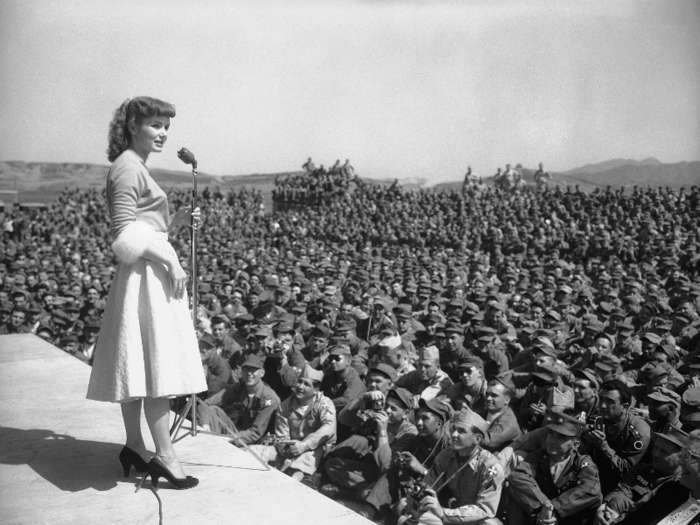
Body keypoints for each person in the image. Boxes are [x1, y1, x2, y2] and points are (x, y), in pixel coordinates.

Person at [86, 97, 206, 490]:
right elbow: (124, 235)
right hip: (146, 274)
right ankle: (166, 456)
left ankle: (136, 447)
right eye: (155, 124)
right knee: (156, 368)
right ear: (133, 125)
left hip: (145, 271)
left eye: (166, 126)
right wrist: (170, 261)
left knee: (140, 361)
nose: (163, 133)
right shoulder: (126, 167)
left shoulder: (134, 166)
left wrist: (177, 222)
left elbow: (143, 224)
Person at [398, 406, 505, 525]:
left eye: (461, 431)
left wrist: (444, 513)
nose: (454, 434)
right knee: (405, 505)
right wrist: (417, 497)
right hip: (449, 515)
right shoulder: (445, 456)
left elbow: (485, 510)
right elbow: (429, 486)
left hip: (474, 519)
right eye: (453, 429)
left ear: (477, 439)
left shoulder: (490, 467)